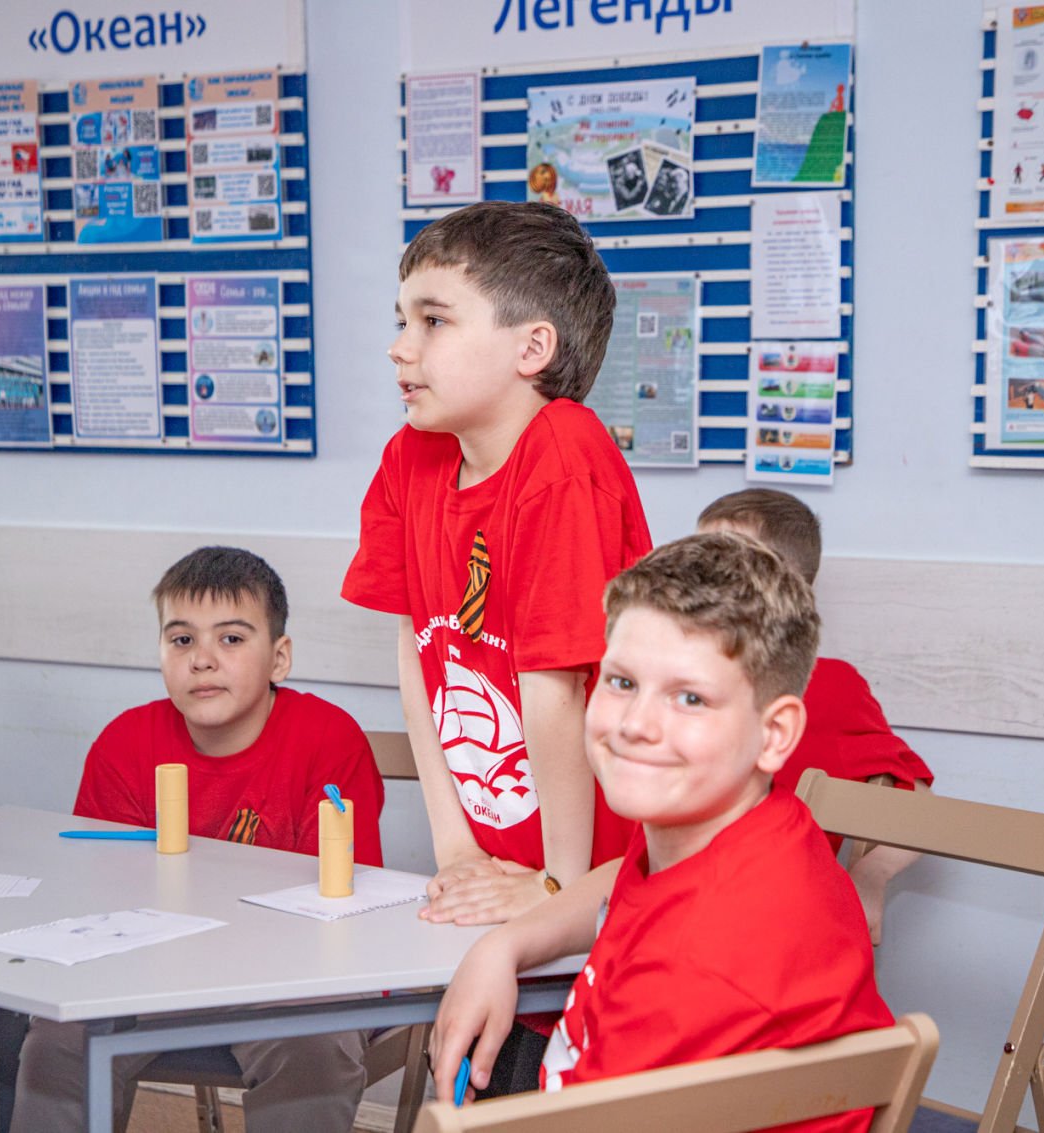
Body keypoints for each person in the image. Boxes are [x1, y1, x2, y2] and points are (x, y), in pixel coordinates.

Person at [341, 200, 651, 1093]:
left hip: (603, 878)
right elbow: (419, 657)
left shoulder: (566, 452)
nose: (400, 347)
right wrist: (456, 850)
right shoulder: (412, 456)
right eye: (402, 320)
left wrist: (555, 885)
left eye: (433, 320)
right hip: (504, 873)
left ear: (532, 347)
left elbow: (556, 687)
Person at [430, 534, 893, 1131]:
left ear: (775, 734)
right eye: (622, 682)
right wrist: (503, 946)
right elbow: (621, 880)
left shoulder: (697, 968)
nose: (635, 725)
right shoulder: (748, 827)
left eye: (690, 698)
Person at [13, 546, 385, 1133]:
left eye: (231, 639)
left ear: (279, 658)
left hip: (290, 975)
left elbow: (339, 907)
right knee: (59, 1040)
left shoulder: (328, 739)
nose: (203, 660)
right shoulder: (124, 743)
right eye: (182, 639)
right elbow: (102, 902)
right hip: (154, 967)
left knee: (311, 1048)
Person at [697, 488, 934, 945]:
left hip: (764, 929)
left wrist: (869, 877)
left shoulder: (828, 686)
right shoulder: (662, 680)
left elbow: (922, 807)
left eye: (723, 565)